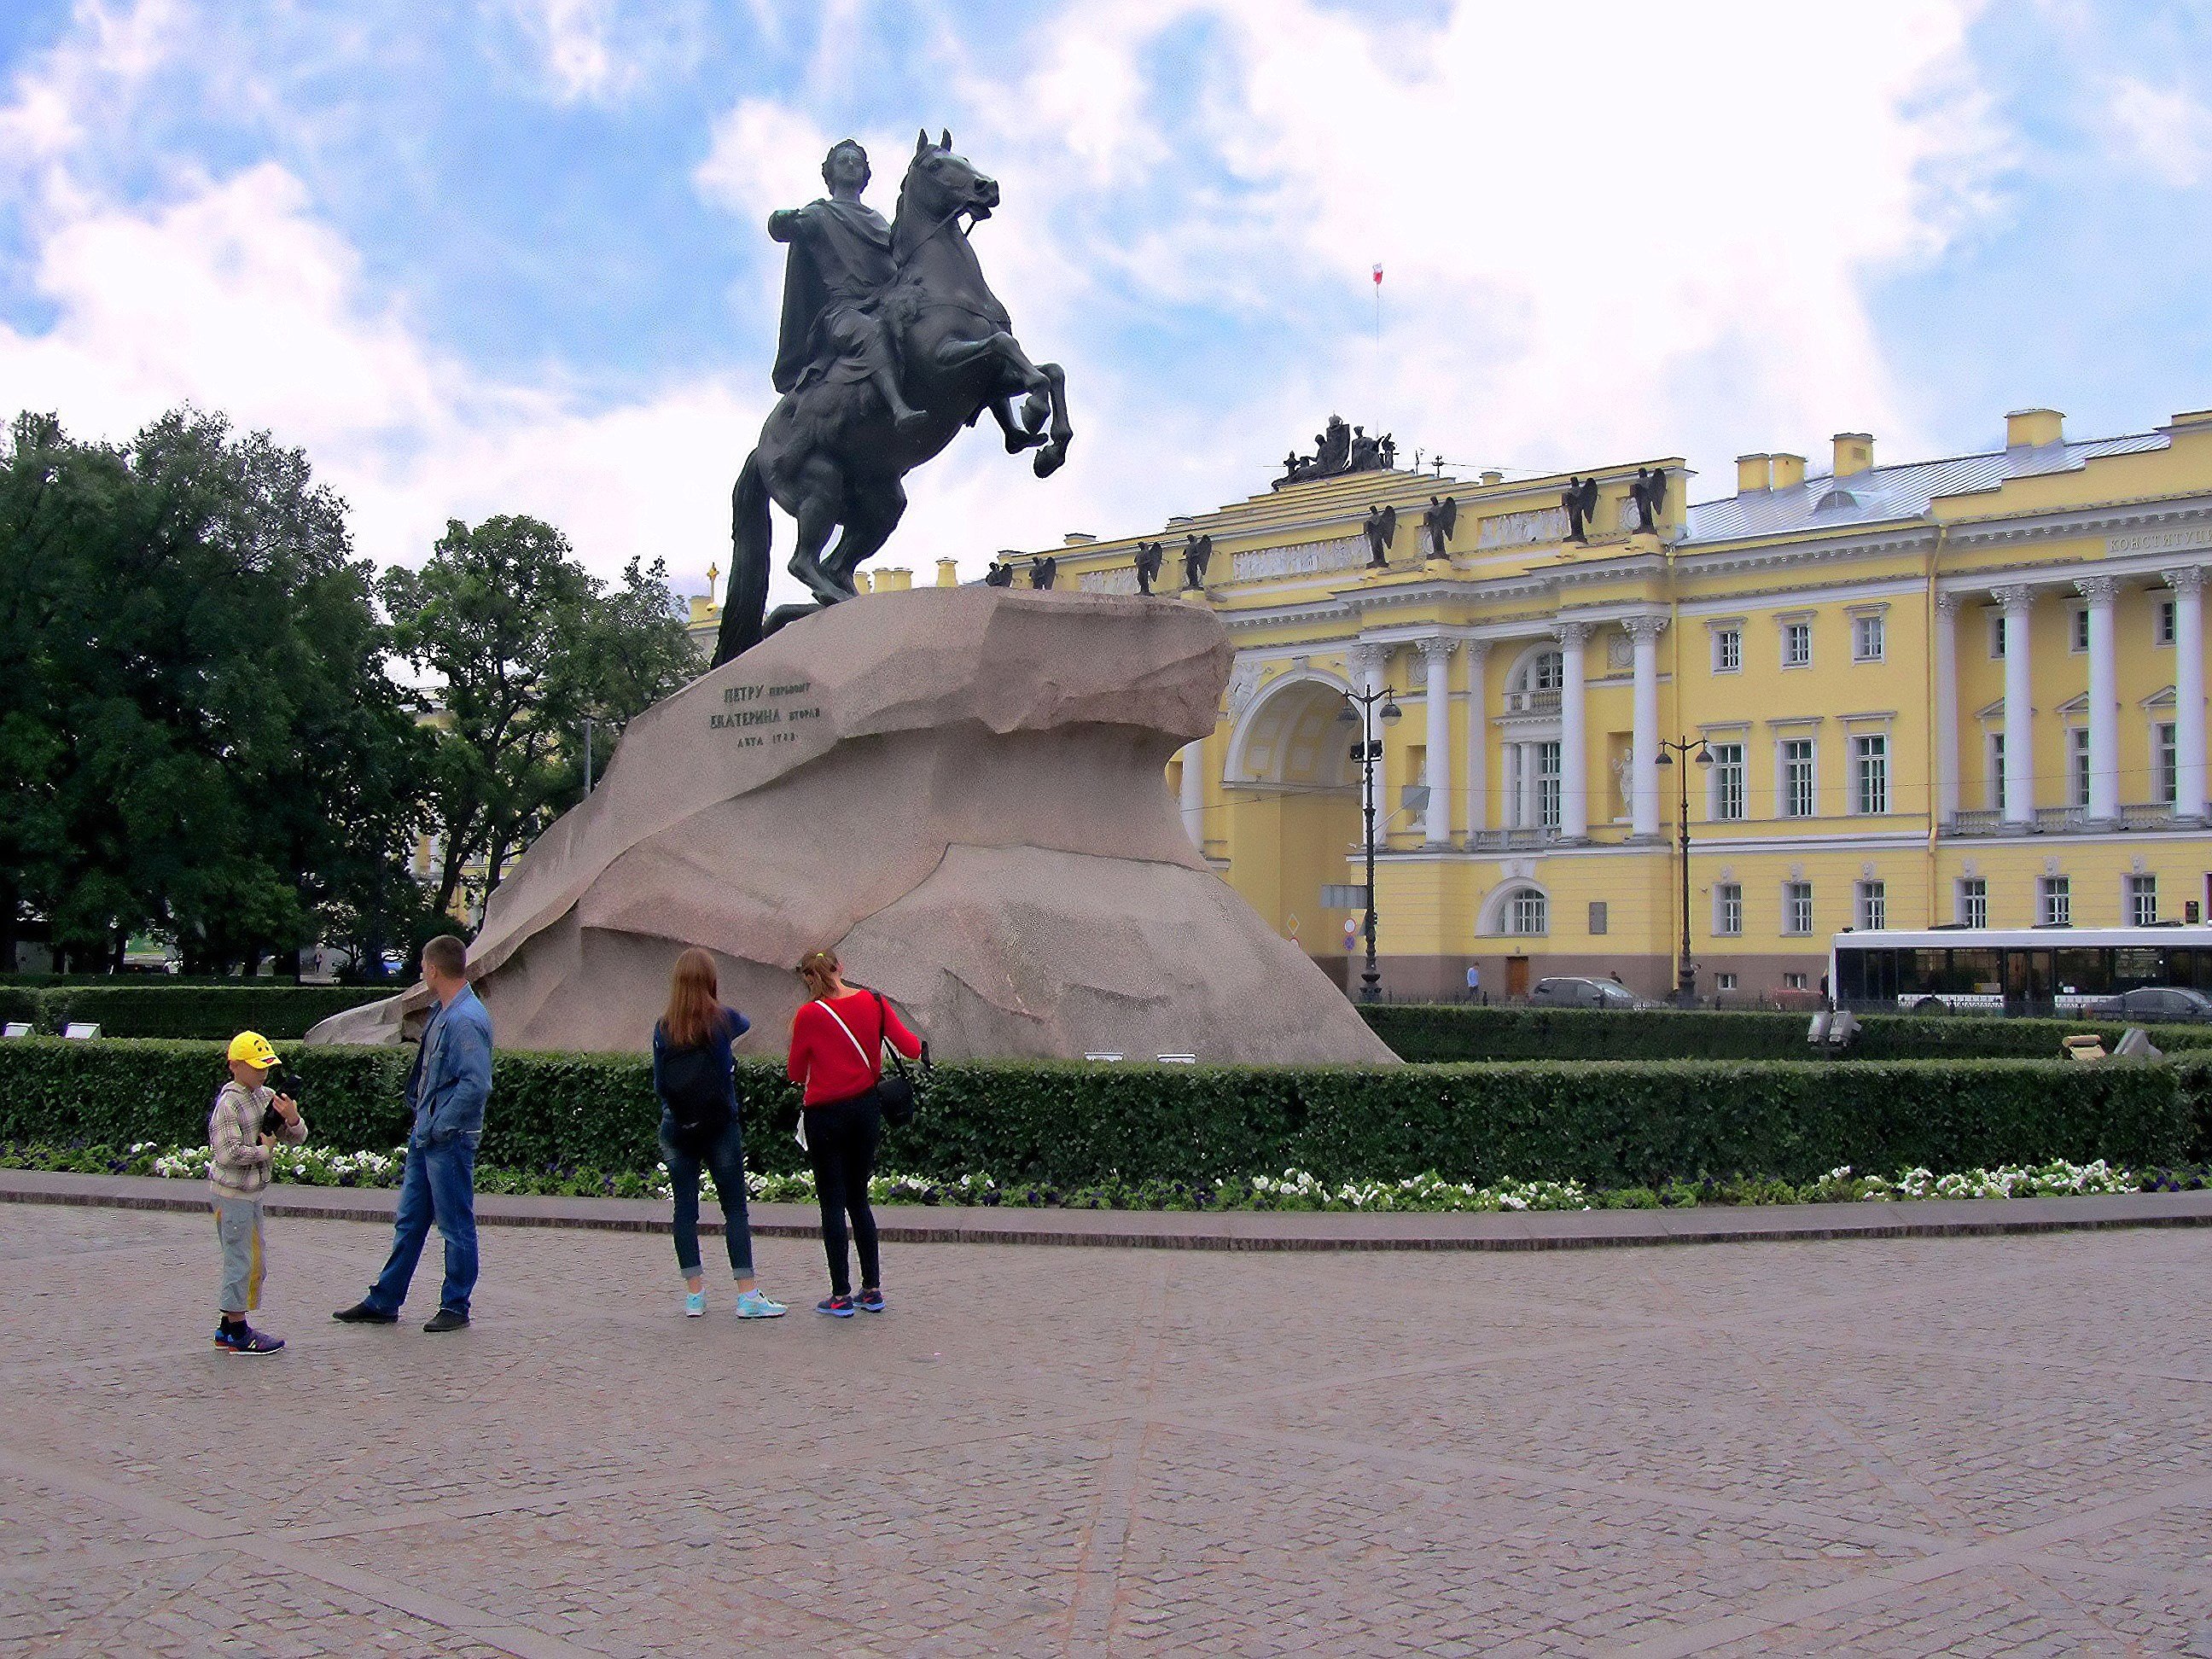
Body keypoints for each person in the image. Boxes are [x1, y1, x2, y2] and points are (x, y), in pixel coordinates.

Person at [335, 934, 492, 1334]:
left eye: (424, 966)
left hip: (447, 1139)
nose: (422, 972)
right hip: (429, 1136)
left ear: (434, 969)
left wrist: (438, 1125)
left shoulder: (465, 1019)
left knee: (455, 1225)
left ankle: (455, 1305)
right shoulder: (445, 1012)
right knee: (410, 1221)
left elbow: (476, 1085)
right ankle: (385, 1299)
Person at [786, 949, 923, 1317]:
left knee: (832, 1202)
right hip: (865, 1111)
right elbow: (910, 1049)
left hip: (824, 1116)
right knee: (858, 1200)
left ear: (808, 978)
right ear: (840, 967)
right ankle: (872, 1289)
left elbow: (796, 1072)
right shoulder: (874, 1002)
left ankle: (840, 1295)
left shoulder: (808, 1015)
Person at [653, 948, 784, 1320]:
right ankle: (747, 1295)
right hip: (719, 1126)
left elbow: (661, 1084)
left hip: (677, 1127)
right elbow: (746, 1022)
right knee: (735, 1209)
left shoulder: (664, 1027)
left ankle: (694, 1296)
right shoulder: (722, 1020)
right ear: (710, 981)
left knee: (684, 1211)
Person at [208, 1031, 307, 1354]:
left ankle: (227, 1327)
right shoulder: (229, 1104)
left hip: (252, 1193)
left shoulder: (264, 1096)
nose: (262, 1074)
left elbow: (295, 1137)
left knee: (252, 1260)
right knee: (242, 1261)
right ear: (235, 1066)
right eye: (256, 1067)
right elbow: (228, 1154)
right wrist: (264, 1152)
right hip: (233, 1193)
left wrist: (291, 1118)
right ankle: (237, 1329)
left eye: (266, 1067)